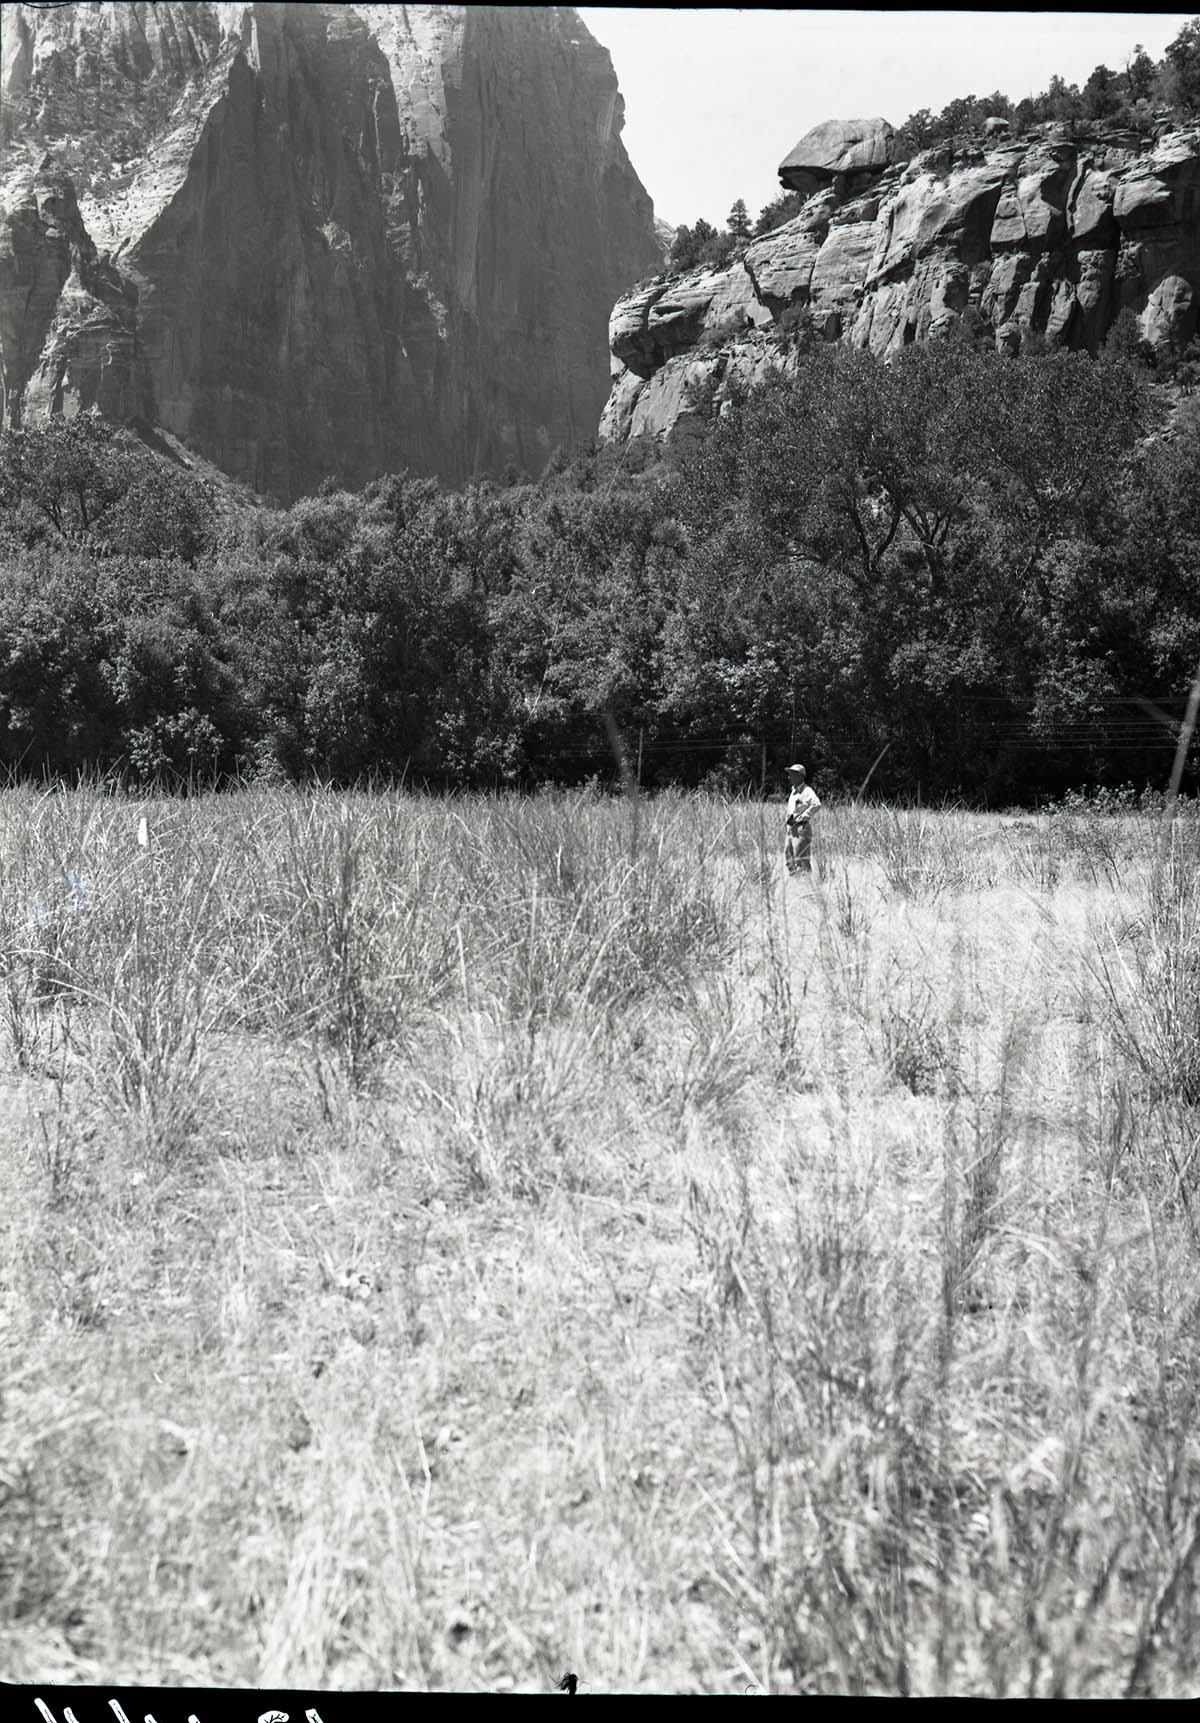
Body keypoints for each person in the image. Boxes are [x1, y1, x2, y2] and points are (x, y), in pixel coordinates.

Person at [783, 762, 821, 874]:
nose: (789, 777)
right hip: (791, 828)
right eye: (789, 774)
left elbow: (816, 804)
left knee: (801, 858)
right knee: (788, 856)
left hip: (801, 828)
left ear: (800, 776)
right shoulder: (793, 791)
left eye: (792, 774)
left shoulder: (807, 791)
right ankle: (795, 882)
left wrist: (804, 816)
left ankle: (806, 884)